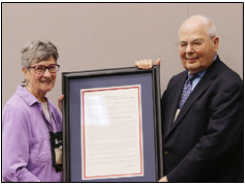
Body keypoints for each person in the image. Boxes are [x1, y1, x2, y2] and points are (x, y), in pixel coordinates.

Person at [135, 15, 243, 182]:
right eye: (183, 44)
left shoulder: (230, 85)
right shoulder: (175, 82)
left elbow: (214, 146)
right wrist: (143, 78)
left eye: (196, 43)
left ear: (215, 43)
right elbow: (155, 129)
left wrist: (172, 179)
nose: (188, 50)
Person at [2, 40, 63, 182]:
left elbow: (61, 159)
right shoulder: (16, 110)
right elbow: (12, 170)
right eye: (40, 69)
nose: (47, 74)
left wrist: (71, 116)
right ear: (26, 72)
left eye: (51, 67)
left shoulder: (53, 110)